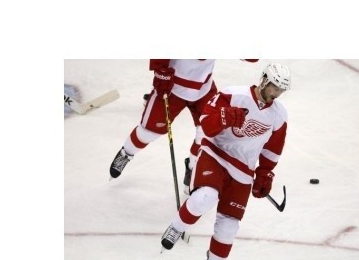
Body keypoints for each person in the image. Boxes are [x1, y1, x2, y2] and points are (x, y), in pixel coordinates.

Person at [158, 63, 291, 260]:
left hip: (243, 169)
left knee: (229, 227)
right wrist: (224, 117)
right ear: (264, 80)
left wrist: (265, 173)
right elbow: (205, 124)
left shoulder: (279, 115)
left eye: (281, 90)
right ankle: (176, 227)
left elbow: (272, 149)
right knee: (205, 197)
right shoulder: (233, 94)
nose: (276, 93)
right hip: (216, 153)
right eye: (274, 87)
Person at [108, 59, 259, 193]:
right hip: (172, 87)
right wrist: (160, 69)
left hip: (203, 90)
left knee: (206, 135)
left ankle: (193, 170)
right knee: (148, 133)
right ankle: (126, 153)